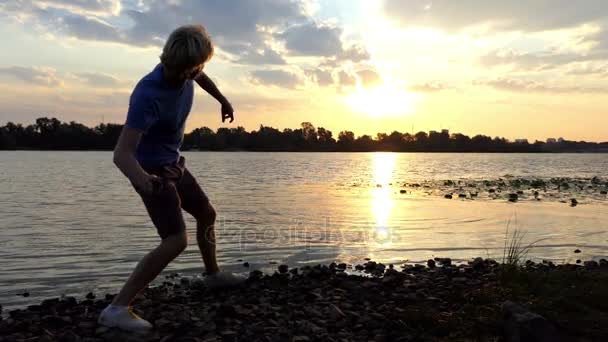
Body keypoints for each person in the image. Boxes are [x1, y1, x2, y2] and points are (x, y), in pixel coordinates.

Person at [97, 24, 244, 333]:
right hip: (152, 172)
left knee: (206, 213)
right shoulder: (147, 94)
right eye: (188, 70)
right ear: (172, 60)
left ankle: (213, 276)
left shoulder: (188, 71)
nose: (192, 75)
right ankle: (117, 308)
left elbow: (201, 76)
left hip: (173, 163)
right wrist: (144, 180)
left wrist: (222, 99)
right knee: (176, 240)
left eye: (195, 69)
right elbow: (121, 153)